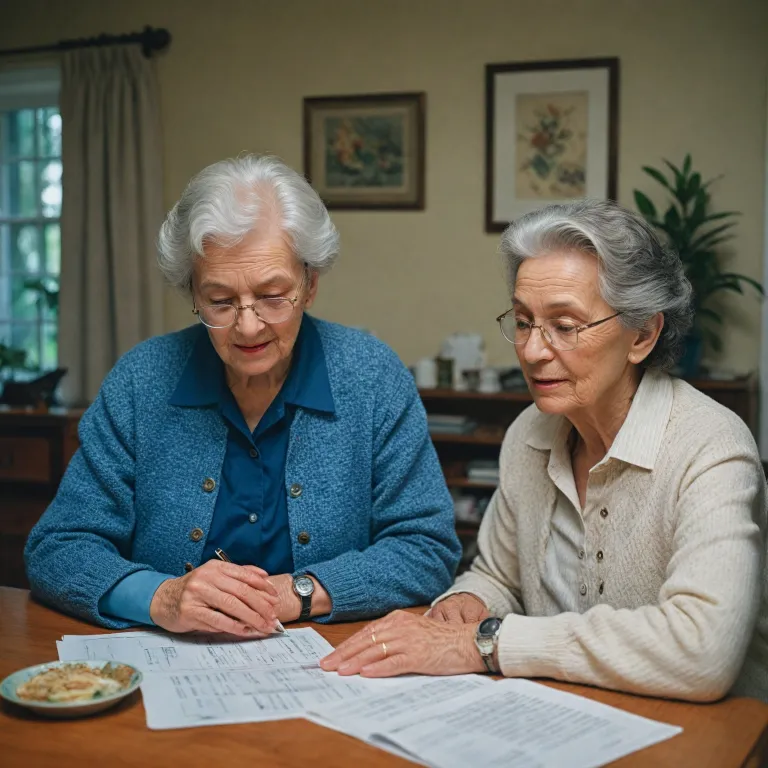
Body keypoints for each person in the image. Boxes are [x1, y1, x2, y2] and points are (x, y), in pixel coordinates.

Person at [321, 199, 768, 703]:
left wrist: (486, 643)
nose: (533, 350)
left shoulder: (711, 448)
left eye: (565, 325)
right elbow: (497, 575)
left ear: (642, 333)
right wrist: (468, 601)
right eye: (524, 321)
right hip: (559, 714)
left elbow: (701, 651)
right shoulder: (528, 434)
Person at [25, 155, 461, 635]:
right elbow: (58, 546)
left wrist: (299, 593)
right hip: (171, 665)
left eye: (273, 296)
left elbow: (427, 547)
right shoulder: (141, 380)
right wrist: (160, 596)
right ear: (192, 292)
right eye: (220, 301)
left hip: (330, 665)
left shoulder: (373, 377)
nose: (248, 326)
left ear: (310, 283)